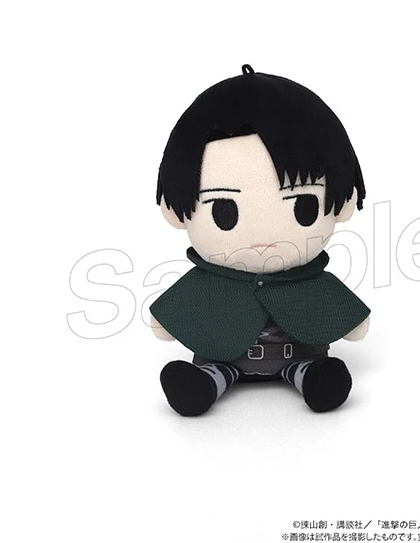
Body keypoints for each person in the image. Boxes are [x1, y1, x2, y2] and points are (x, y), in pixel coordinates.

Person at [150, 65, 371, 416]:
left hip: (298, 354)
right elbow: (171, 317)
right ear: (176, 211)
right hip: (223, 356)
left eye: (303, 206)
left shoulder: (308, 280)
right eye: (223, 211)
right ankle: (204, 384)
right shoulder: (209, 283)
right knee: (214, 369)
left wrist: (353, 321)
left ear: (343, 204)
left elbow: (346, 316)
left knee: (312, 369)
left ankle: (313, 378)